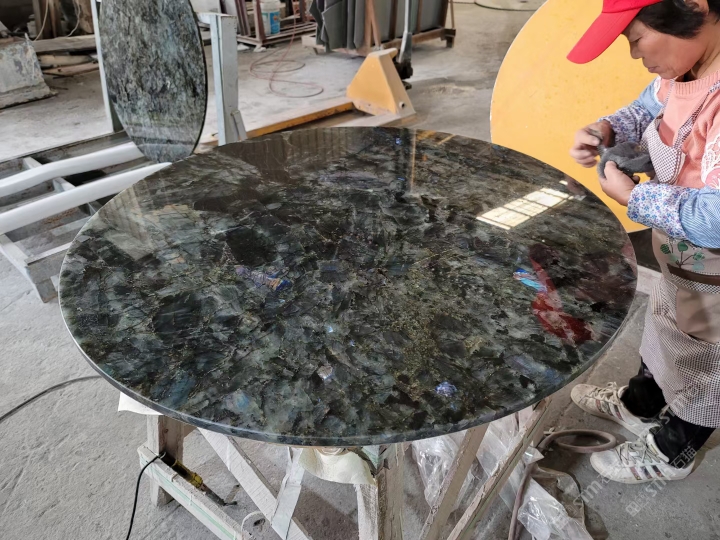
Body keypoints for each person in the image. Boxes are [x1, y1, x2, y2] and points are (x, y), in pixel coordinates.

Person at [568, 0, 720, 484]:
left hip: (714, 270)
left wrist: (636, 197)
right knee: (665, 326)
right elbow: (645, 107)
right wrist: (607, 128)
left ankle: (676, 447)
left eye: (636, 39)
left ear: (692, 6)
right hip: (679, 256)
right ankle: (642, 402)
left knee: (706, 358)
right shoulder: (686, 69)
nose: (636, 55)